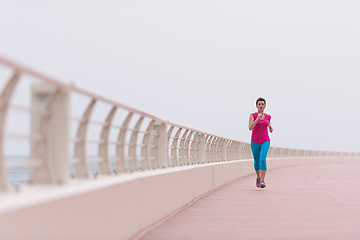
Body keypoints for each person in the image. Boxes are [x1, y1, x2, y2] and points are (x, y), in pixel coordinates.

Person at [248, 97, 273, 188]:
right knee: (257, 161)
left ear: (265, 106)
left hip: (265, 140)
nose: (261, 106)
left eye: (262, 104)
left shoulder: (268, 116)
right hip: (255, 141)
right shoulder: (253, 115)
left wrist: (270, 128)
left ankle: (262, 180)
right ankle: (258, 177)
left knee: (263, 159)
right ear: (256, 106)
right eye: (259, 104)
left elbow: (268, 123)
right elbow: (250, 127)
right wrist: (257, 119)